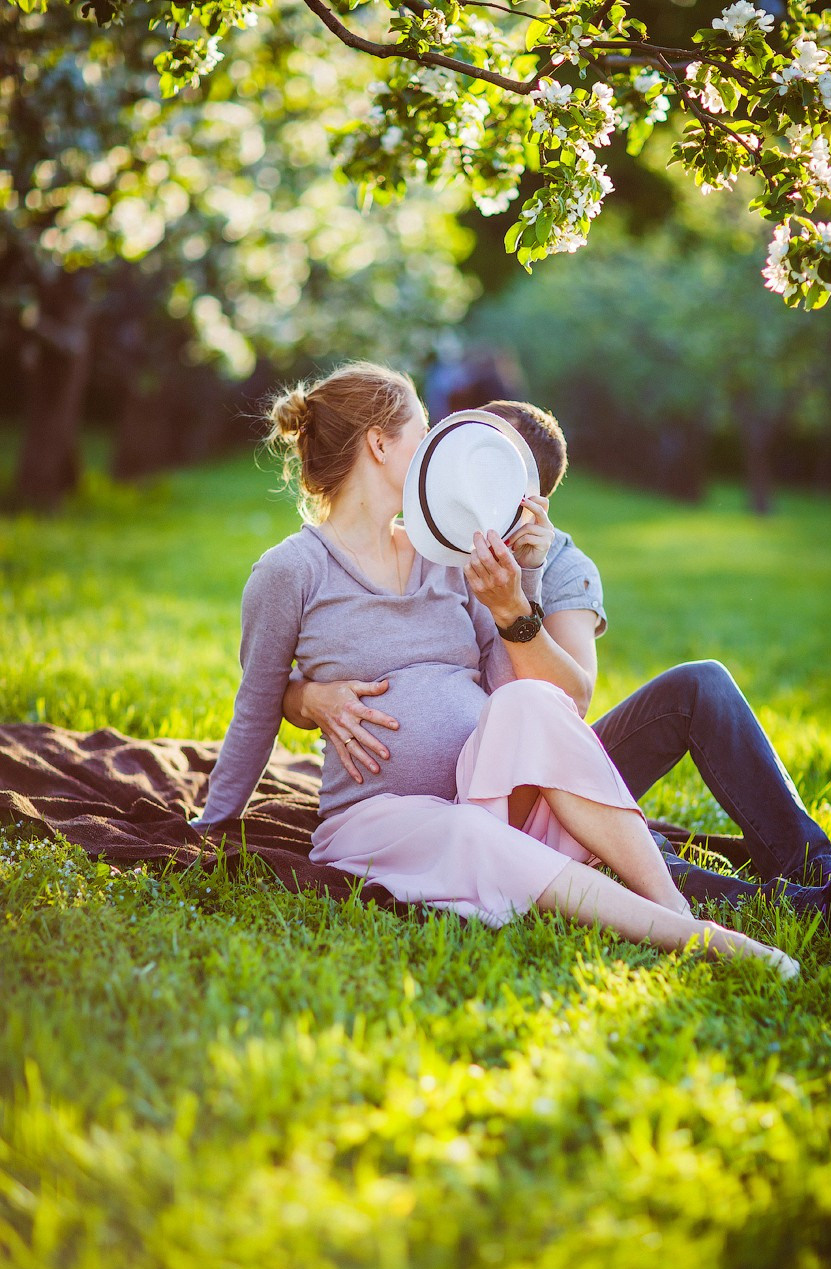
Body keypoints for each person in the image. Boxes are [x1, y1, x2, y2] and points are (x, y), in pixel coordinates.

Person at [197, 360, 799, 977]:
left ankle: (672, 904)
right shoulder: (289, 571)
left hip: (483, 791)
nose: (438, 447)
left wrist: (526, 578)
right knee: (467, 835)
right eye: (422, 430)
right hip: (378, 819)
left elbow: (514, 691)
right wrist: (212, 825)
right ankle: (690, 938)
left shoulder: (447, 557)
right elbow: (257, 706)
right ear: (380, 444)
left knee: (531, 703)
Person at [283, 396, 831, 936]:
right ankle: (823, 903)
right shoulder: (418, 537)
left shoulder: (562, 564)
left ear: (529, 499)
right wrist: (307, 697)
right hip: (435, 798)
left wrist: (515, 600)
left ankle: (816, 876)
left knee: (700, 686)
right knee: (613, 852)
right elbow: (323, 638)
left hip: (538, 761)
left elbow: (565, 701)